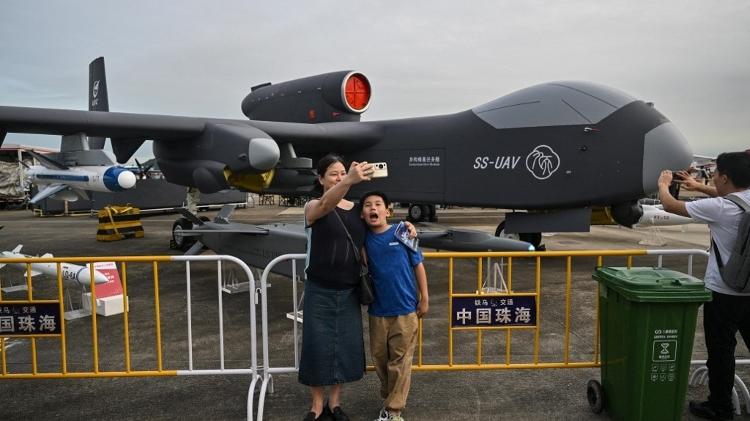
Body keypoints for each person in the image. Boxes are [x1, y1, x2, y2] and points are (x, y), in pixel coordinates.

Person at [299, 155, 416, 421]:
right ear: (320, 179)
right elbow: (328, 205)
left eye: (343, 173)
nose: (339, 178)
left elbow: (379, 228)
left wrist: (406, 226)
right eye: (333, 174)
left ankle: (335, 403)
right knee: (316, 346)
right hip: (320, 288)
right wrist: (350, 179)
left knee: (343, 347)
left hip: (349, 289)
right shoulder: (314, 206)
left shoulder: (356, 211)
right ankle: (317, 405)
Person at [657, 151, 750, 421]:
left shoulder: (719, 209)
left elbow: (670, 206)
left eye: (716, 176)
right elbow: (729, 196)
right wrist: (699, 186)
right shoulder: (734, 201)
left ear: (724, 177)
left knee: (721, 352)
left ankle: (720, 407)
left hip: (724, 292)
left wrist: (664, 184)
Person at [360, 190, 428, 421]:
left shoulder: (402, 231)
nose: (373, 208)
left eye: (378, 204)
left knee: (399, 361)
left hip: (405, 309)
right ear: (362, 214)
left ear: (387, 210)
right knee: (380, 360)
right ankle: (390, 398)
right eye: (368, 205)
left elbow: (418, 264)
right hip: (377, 311)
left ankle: (393, 411)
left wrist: (425, 298)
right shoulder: (364, 239)